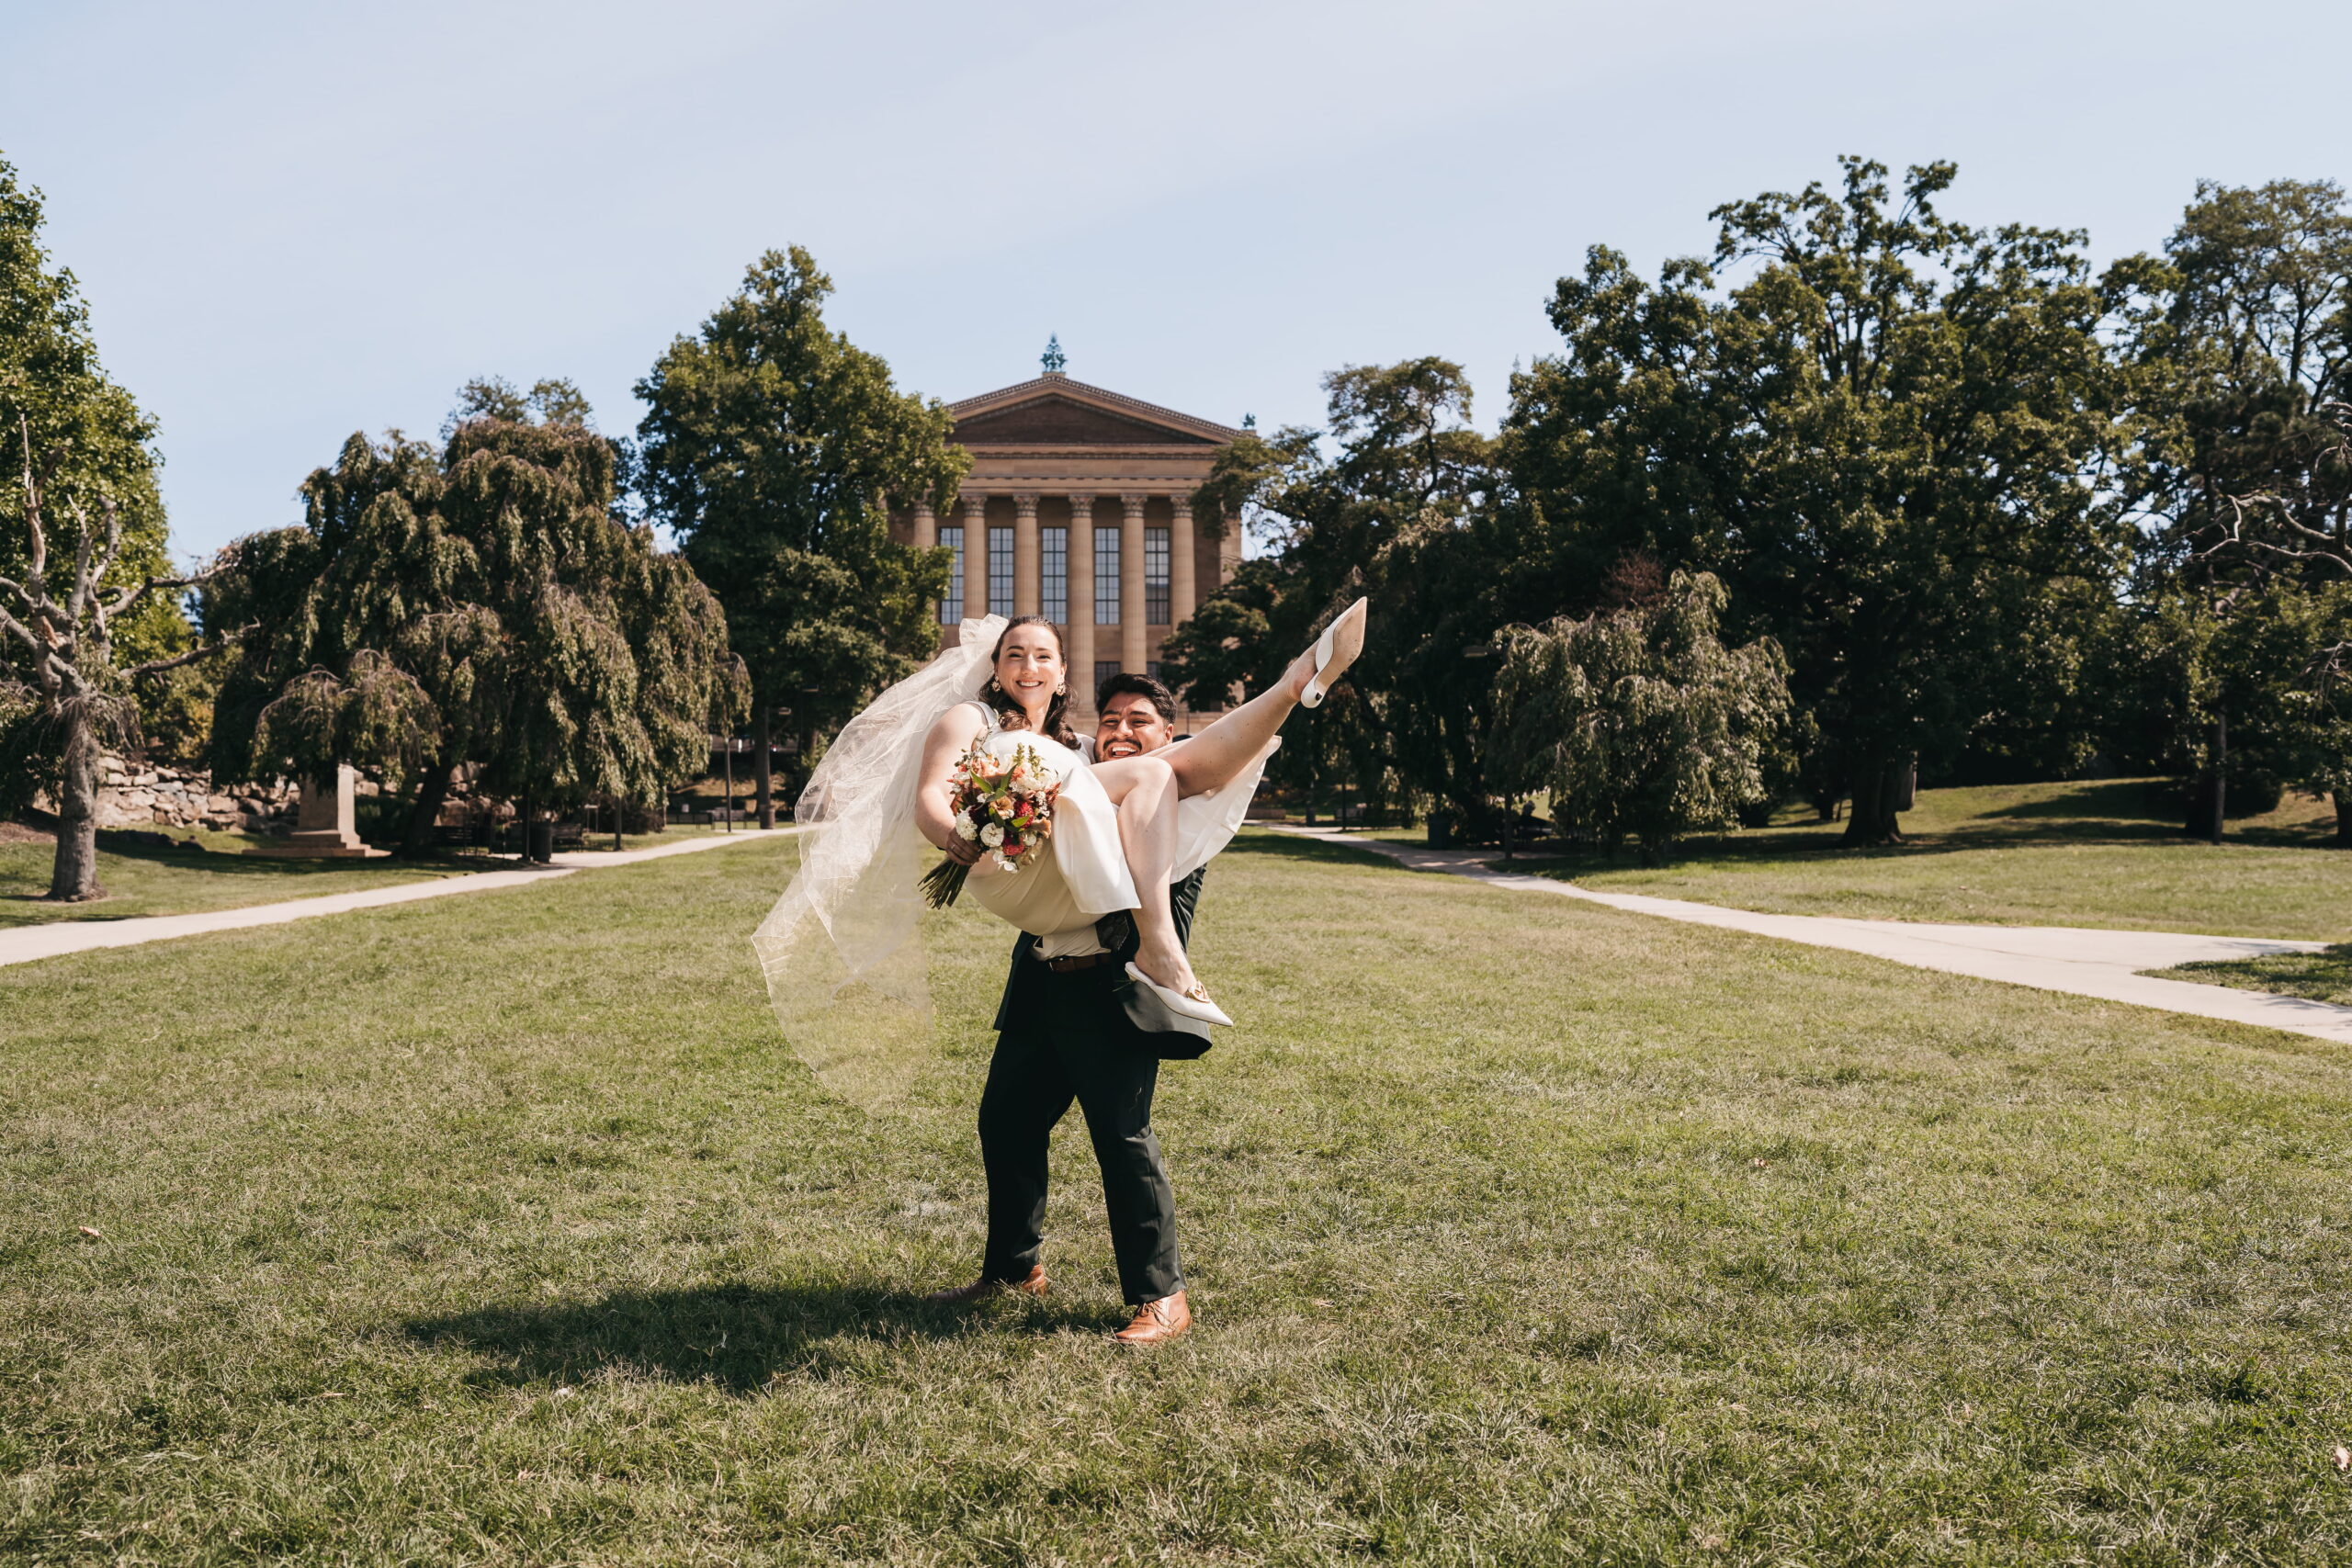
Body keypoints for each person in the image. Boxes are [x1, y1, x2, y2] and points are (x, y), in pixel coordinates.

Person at [924, 672, 1216, 1344]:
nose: (1121, 730)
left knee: (1122, 1138)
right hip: (1040, 981)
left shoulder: (1173, 803)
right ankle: (1013, 1268)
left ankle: (1162, 1295)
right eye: (1109, 719)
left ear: (1169, 736)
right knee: (1006, 1122)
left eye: (1139, 720)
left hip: (1112, 993)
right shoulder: (1073, 783)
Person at [910, 606, 1363, 1024]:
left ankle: (1290, 689)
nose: (1029, 667)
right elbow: (930, 795)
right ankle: (1159, 948)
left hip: (1063, 881)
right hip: (1002, 868)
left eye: (1042, 656)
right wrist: (952, 835)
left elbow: (1182, 764)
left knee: (1174, 766)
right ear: (996, 668)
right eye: (1015, 655)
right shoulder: (972, 717)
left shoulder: (1078, 747)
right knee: (1152, 773)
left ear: (1062, 672)